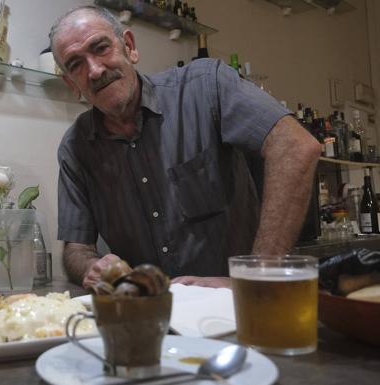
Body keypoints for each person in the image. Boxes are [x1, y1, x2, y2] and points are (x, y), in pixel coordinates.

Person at [49, 6, 321, 289]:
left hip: (239, 309)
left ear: (129, 47)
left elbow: (295, 146)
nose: (94, 71)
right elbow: (76, 249)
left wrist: (255, 279)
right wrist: (91, 268)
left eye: (101, 47)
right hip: (147, 320)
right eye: (76, 64)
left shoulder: (205, 87)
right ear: (71, 83)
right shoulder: (75, 148)